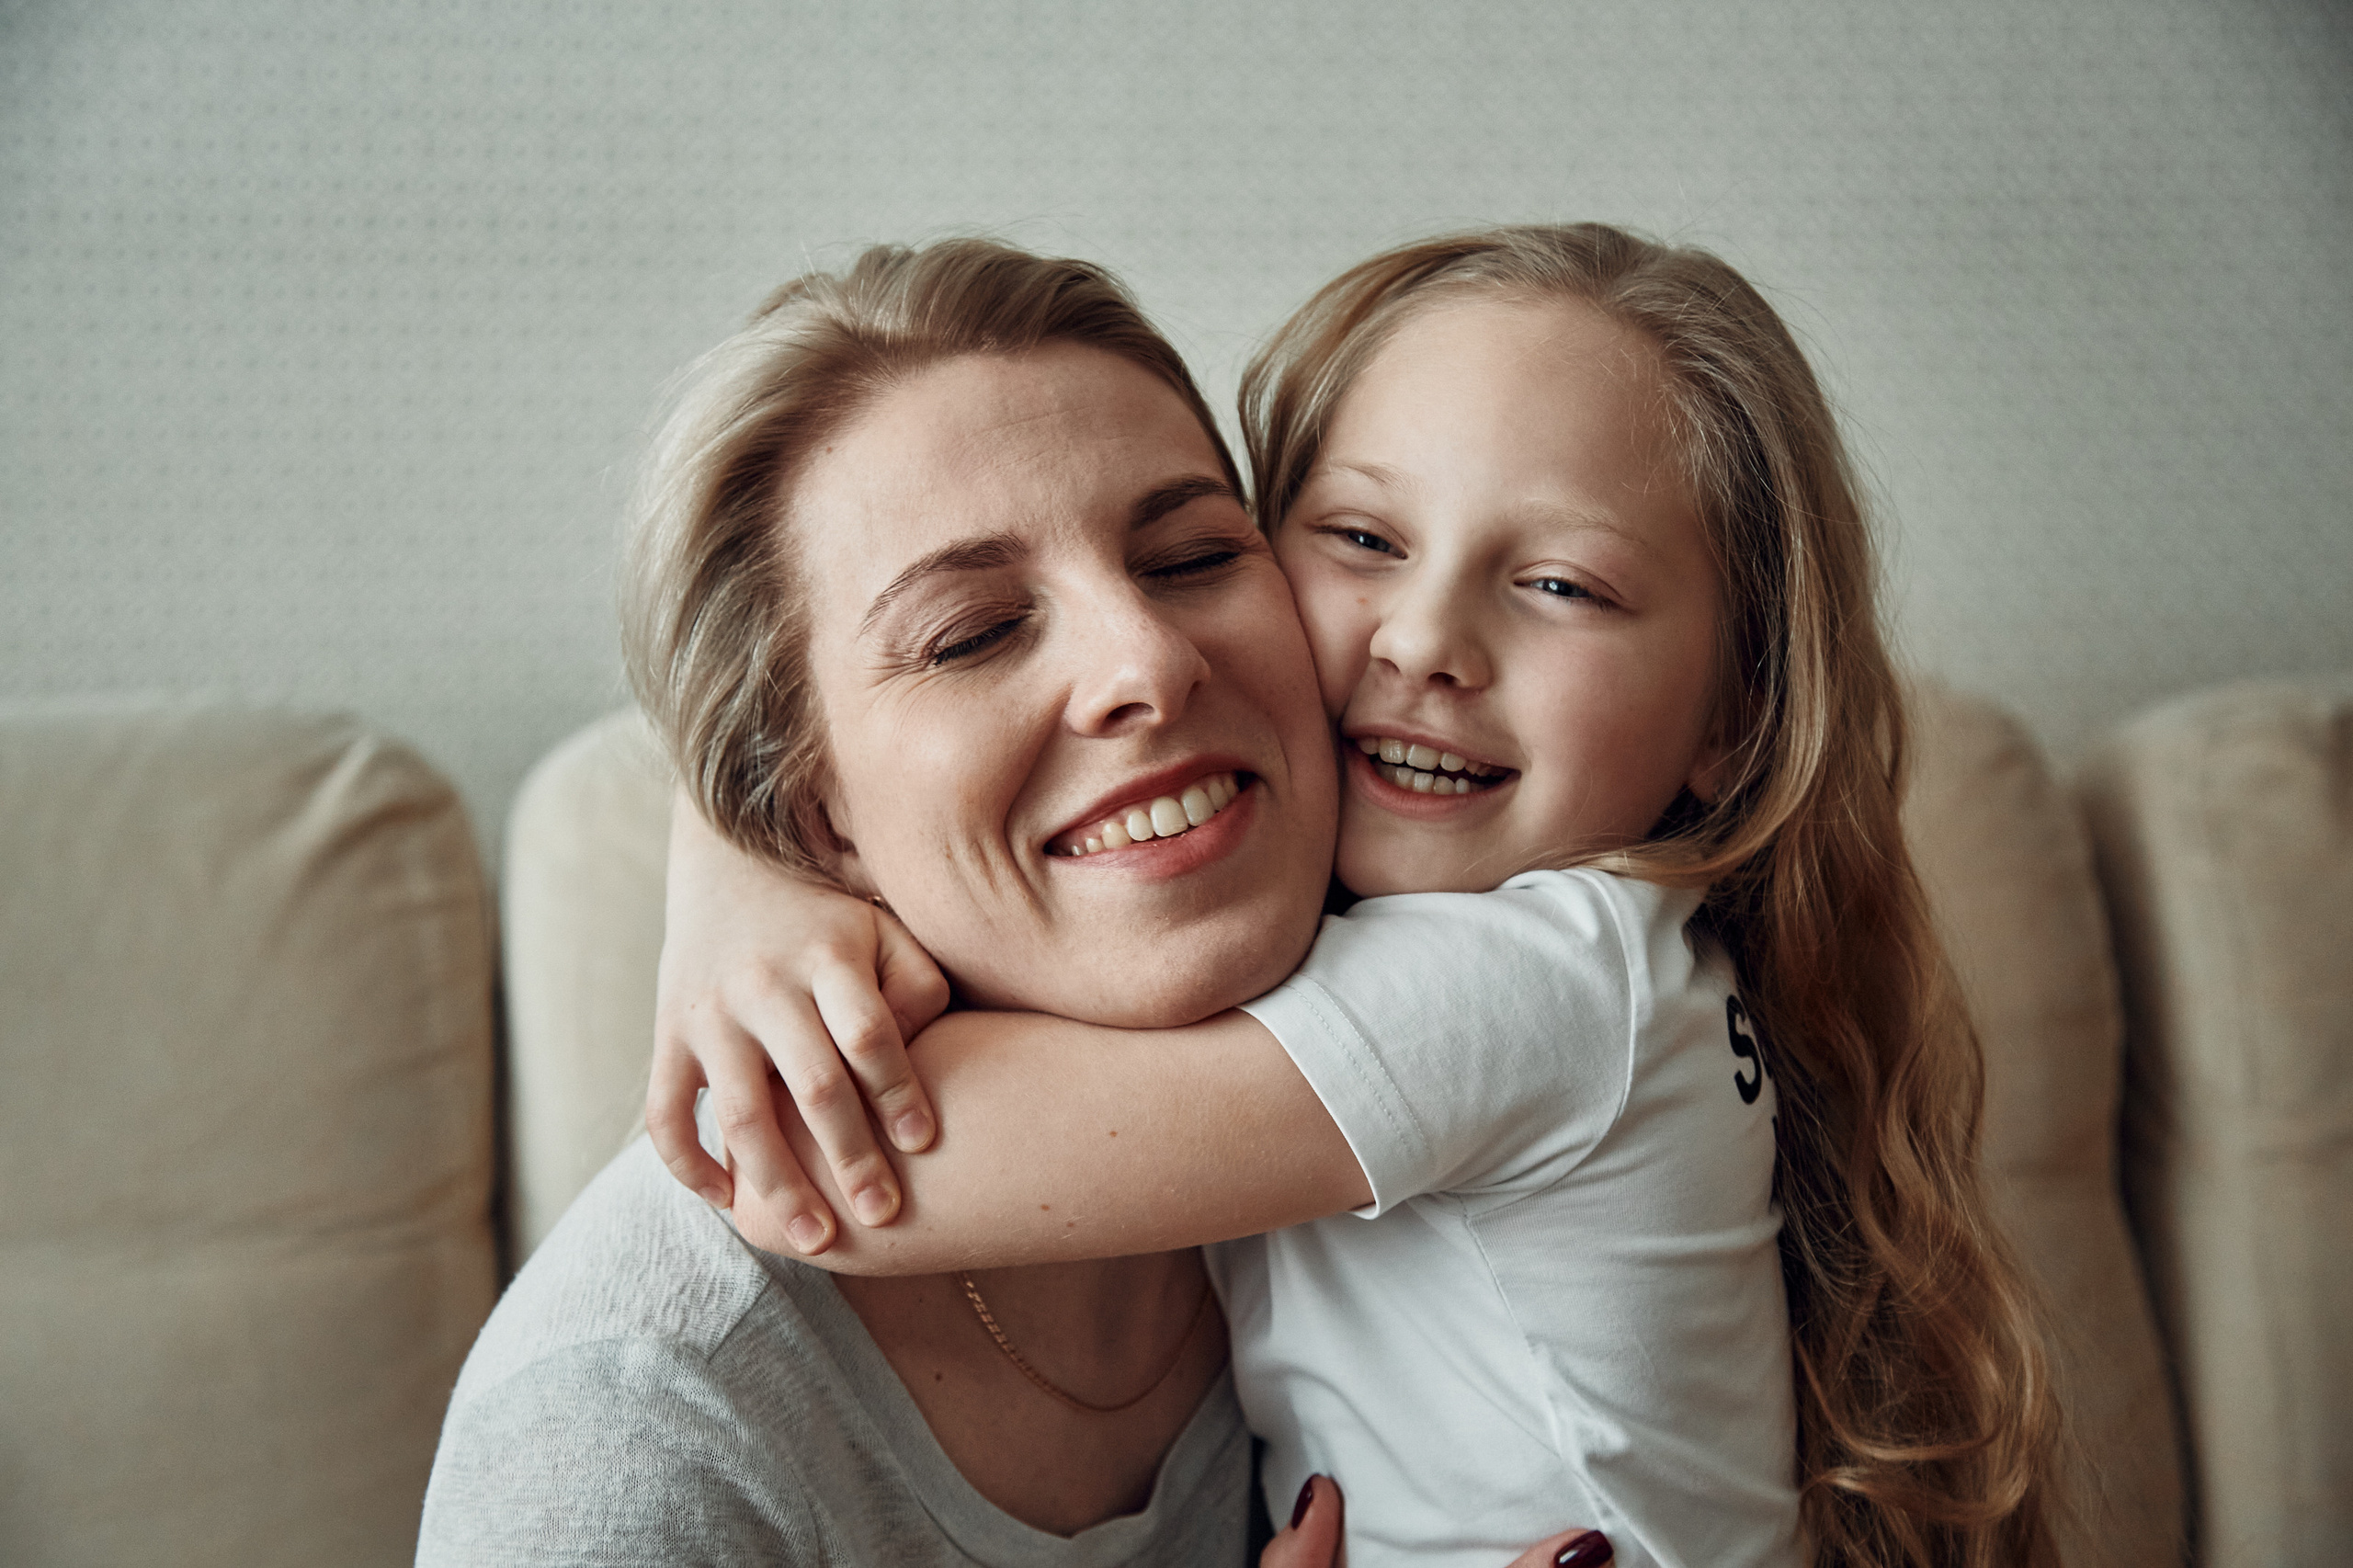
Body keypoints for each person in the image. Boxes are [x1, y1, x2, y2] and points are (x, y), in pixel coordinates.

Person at [647, 226, 2063, 1567]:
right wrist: (753, 840)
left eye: (1563, 583)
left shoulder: (1546, 977)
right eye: (1366, 541)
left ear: (1736, 715)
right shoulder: (1487, 953)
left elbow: (824, 1154)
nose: (1426, 640)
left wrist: (745, 873)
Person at [416, 238, 1599, 1567]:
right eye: (972, 632)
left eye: (1192, 555)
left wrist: (730, 863)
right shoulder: (637, 1430)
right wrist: (741, 854)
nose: (1148, 659)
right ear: (812, 814)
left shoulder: (1449, 950)